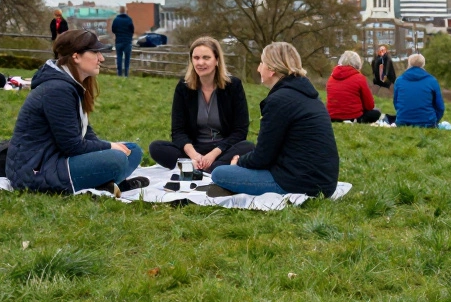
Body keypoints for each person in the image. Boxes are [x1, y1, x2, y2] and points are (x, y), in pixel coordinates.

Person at [6, 30, 145, 195]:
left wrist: (109, 148)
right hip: (36, 170)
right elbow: (73, 145)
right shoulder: (57, 89)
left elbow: (85, 134)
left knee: (133, 150)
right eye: (95, 52)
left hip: (57, 159)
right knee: (118, 159)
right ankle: (107, 182)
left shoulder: (69, 84)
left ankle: (105, 184)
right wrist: (109, 147)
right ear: (76, 56)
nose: (101, 58)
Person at [210, 42, 339, 197]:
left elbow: (262, 157)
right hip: (324, 182)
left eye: (262, 63)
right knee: (245, 150)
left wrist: (239, 163)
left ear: (271, 69)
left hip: (298, 183)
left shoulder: (279, 100)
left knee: (219, 173)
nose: (258, 68)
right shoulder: (307, 95)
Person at [148, 37, 255, 171]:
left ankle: (200, 167)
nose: (200, 62)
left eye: (206, 58)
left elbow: (240, 131)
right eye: (196, 58)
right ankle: (204, 167)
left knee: (248, 147)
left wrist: (212, 155)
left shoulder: (233, 86)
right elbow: (178, 131)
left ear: (216, 60)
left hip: (222, 149)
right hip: (194, 149)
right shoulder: (183, 87)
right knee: (156, 147)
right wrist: (195, 156)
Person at [326, 50, 382, 124]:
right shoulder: (359, 78)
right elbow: (369, 105)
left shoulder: (331, 78)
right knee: (376, 112)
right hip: (353, 117)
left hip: (332, 117)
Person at [393, 54, 445, 128]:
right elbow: (440, 107)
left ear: (409, 63)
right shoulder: (432, 81)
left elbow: (396, 103)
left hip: (402, 122)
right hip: (428, 123)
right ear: (423, 64)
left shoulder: (399, 80)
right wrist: (435, 120)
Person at [111, 5, 135, 77]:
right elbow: (132, 30)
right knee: (127, 58)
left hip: (119, 41)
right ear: (125, 11)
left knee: (119, 57)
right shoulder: (129, 20)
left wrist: (118, 34)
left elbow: (113, 30)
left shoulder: (116, 20)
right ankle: (126, 74)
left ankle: (119, 73)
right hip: (127, 41)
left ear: (119, 11)